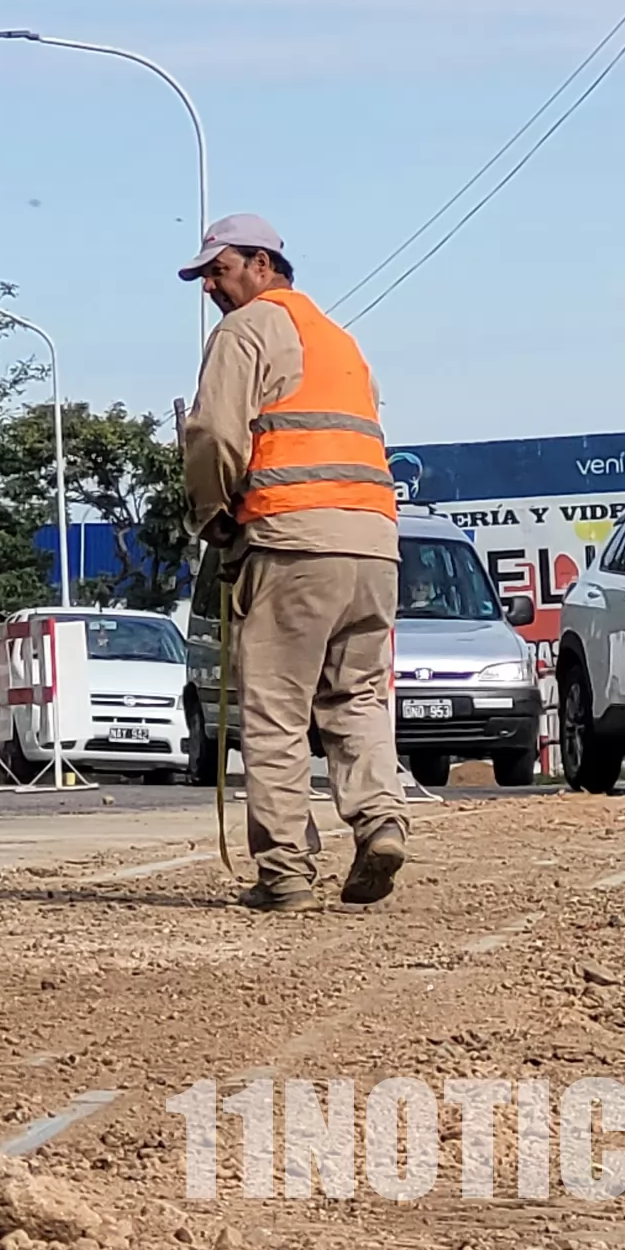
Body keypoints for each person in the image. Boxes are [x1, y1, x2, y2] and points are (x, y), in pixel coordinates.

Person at [180, 213, 404, 911]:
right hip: (374, 546)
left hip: (292, 541)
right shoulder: (342, 341)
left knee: (275, 711)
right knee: (358, 698)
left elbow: (216, 432)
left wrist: (213, 513)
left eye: (219, 270)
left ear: (262, 265)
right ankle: (381, 820)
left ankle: (284, 874)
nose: (211, 286)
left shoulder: (244, 332)